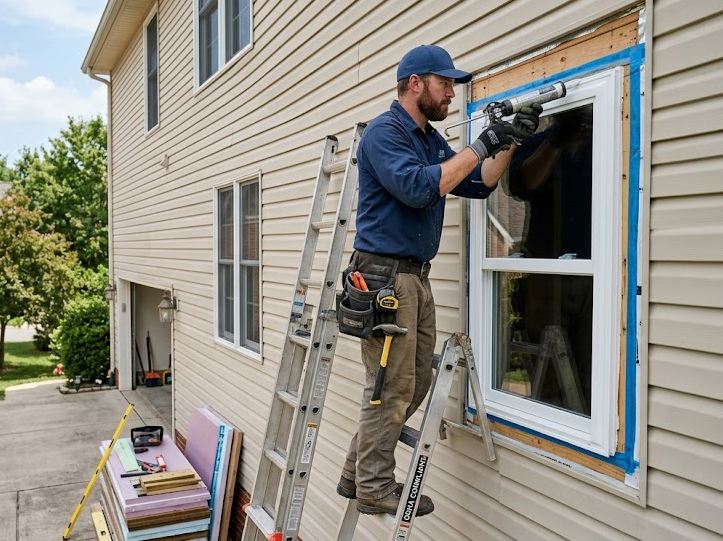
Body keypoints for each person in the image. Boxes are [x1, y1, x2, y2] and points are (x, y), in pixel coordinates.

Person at [337, 44, 541, 516]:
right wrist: (480, 143)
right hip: (384, 279)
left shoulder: (428, 138)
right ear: (415, 83)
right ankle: (373, 487)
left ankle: (356, 472)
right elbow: (419, 187)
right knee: (388, 386)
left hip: (414, 279)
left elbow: (475, 182)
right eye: (444, 83)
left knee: (417, 379)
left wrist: (509, 141)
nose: (452, 92)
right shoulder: (384, 134)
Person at [507, 105, 594, 412]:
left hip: (595, 275)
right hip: (546, 275)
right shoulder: (538, 144)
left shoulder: (601, 146)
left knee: (589, 365)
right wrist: (556, 141)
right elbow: (520, 185)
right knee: (548, 373)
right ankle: (547, 422)